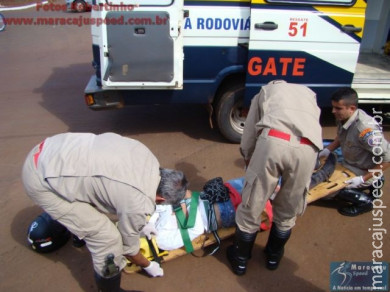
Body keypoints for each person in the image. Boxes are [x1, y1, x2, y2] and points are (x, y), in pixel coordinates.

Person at [21, 132, 188, 292]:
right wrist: (148, 265)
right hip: (40, 180)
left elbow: (114, 189)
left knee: (95, 192)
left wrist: (141, 223)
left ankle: (77, 233)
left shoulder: (148, 156)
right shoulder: (137, 202)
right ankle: (110, 290)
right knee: (107, 239)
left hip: (51, 150)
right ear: (160, 199)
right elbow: (129, 249)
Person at [227, 80, 323, 275]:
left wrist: (248, 157)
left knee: (252, 205)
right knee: (288, 208)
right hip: (309, 148)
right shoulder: (309, 93)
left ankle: (240, 261)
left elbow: (250, 131)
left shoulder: (265, 90)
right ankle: (273, 257)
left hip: (274, 142)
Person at [319, 87, 390, 216]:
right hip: (351, 161)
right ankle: (375, 182)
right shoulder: (345, 117)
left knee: (328, 190)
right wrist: (328, 150)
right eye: (333, 107)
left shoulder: (365, 131)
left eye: (338, 108)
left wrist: (362, 179)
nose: (333, 111)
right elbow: (342, 136)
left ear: (351, 108)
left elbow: (387, 159)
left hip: (363, 169)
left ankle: (365, 202)